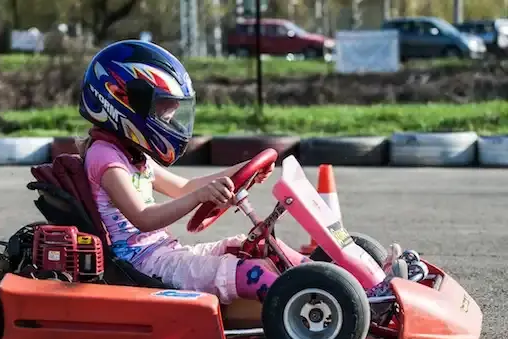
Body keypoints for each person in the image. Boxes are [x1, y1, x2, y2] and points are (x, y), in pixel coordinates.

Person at [77, 40, 425, 304]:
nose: (169, 122)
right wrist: (201, 196)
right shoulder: (104, 157)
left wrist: (243, 169)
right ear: (120, 101)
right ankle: (324, 300)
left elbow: (184, 186)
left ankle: (351, 281)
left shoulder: (132, 152)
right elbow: (143, 217)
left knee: (251, 247)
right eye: (164, 114)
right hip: (144, 265)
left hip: (163, 253)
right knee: (250, 271)